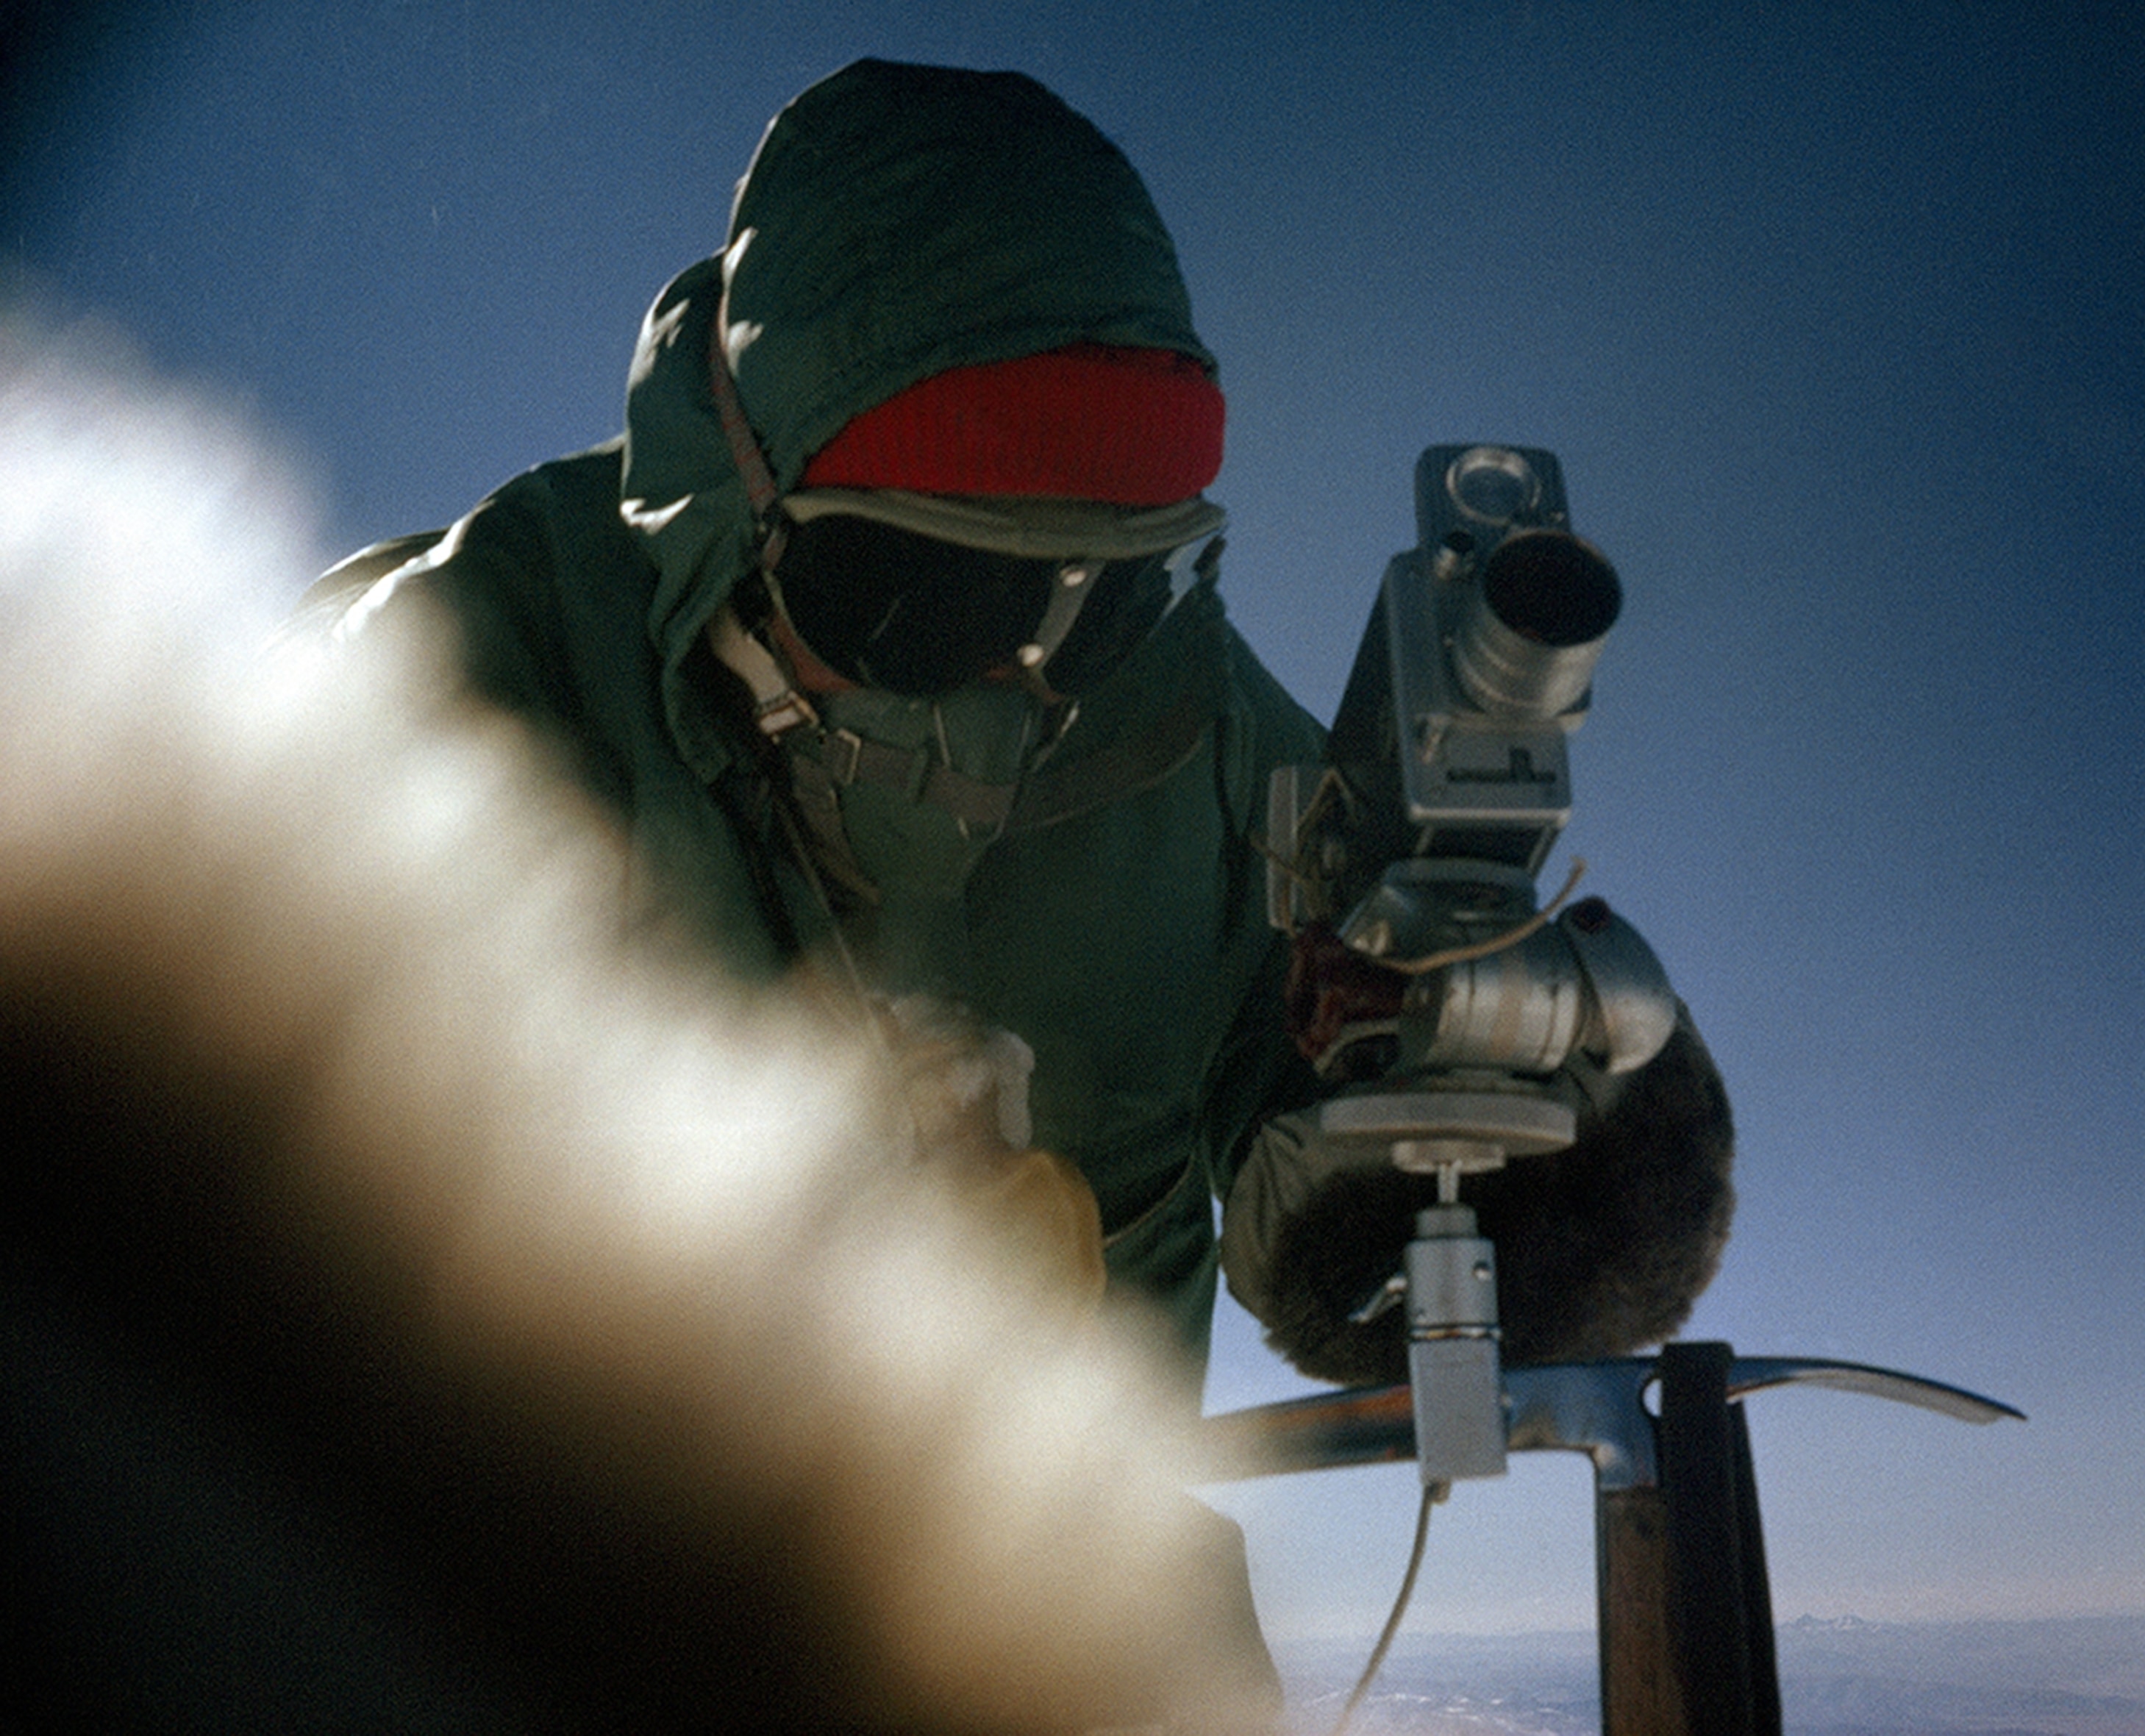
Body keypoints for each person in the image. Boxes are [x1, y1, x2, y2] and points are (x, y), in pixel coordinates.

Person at [306, 54, 1735, 1700]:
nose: (1038, 685)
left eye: (1110, 593)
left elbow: (1375, 1107)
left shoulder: (1200, 756)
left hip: (1050, 1596)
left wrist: (1540, 1150)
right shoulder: (443, 697)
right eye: (931, 597)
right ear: (748, 507)